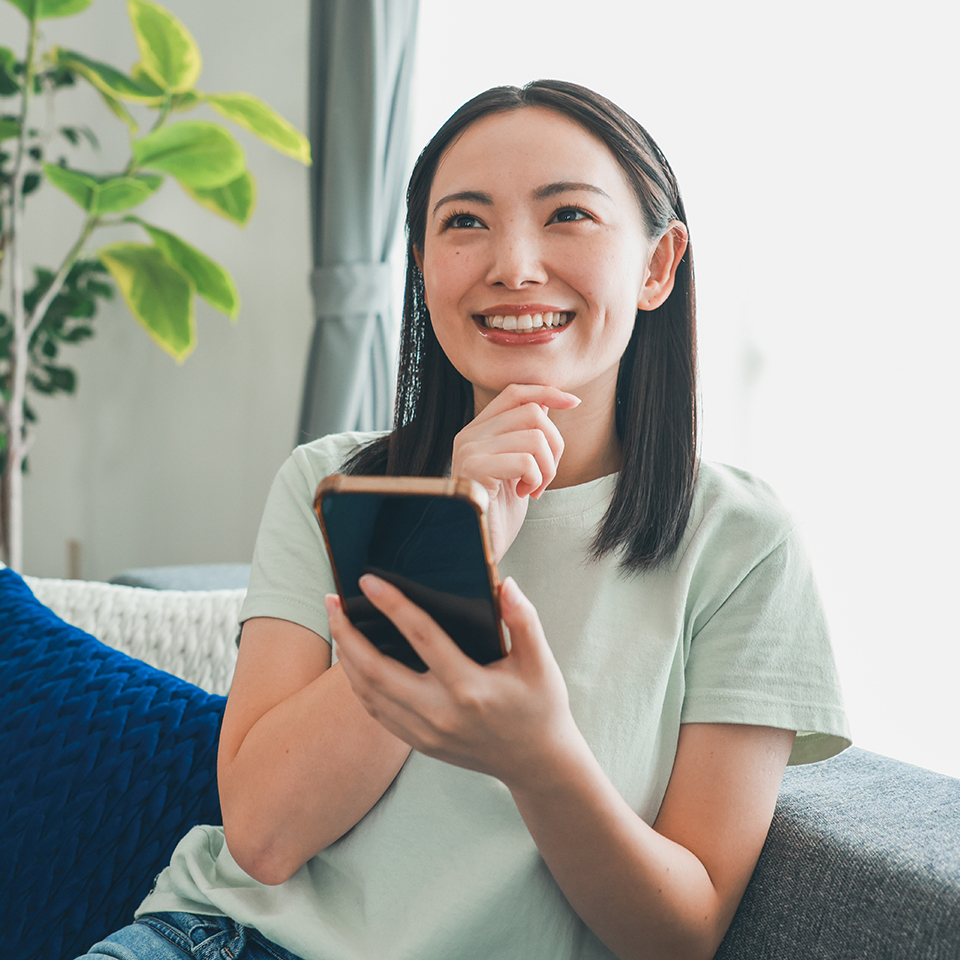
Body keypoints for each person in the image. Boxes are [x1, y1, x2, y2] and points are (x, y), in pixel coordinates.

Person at [77, 80, 850, 960]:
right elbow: (262, 834)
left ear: (657, 265)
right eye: (465, 223)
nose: (514, 265)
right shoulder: (327, 481)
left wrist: (539, 756)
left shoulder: (742, 544)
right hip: (226, 941)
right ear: (421, 262)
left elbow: (678, 936)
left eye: (569, 215)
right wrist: (449, 545)